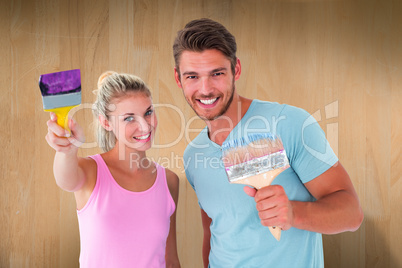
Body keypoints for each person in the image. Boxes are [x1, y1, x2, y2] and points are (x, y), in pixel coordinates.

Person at [173, 18, 363, 267]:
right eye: (192, 77)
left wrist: (294, 213)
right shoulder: (193, 155)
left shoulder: (287, 123)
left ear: (236, 70)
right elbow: (213, 231)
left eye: (217, 73)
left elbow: (351, 214)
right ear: (178, 79)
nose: (205, 89)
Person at [45, 71, 181, 268]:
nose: (145, 126)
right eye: (129, 118)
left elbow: (171, 260)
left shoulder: (169, 180)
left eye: (148, 112)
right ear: (106, 122)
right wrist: (67, 150)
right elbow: (65, 179)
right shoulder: (90, 171)